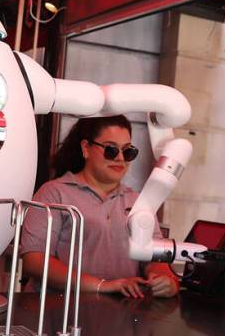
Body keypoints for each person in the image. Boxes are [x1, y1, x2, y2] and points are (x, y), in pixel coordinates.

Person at [19, 115, 179, 298]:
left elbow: (154, 256)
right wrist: (103, 286)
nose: (120, 158)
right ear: (86, 148)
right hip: (58, 312)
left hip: (120, 315)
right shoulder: (54, 193)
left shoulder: (138, 202)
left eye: (127, 152)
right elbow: (35, 261)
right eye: (111, 150)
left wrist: (165, 280)